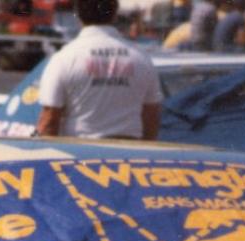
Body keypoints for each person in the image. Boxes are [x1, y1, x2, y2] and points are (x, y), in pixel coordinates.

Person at [37, 0, 162, 140]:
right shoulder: (141, 58)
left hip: (80, 153)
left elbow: (49, 121)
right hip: (129, 154)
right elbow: (151, 117)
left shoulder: (63, 58)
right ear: (114, 14)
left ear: (77, 15)